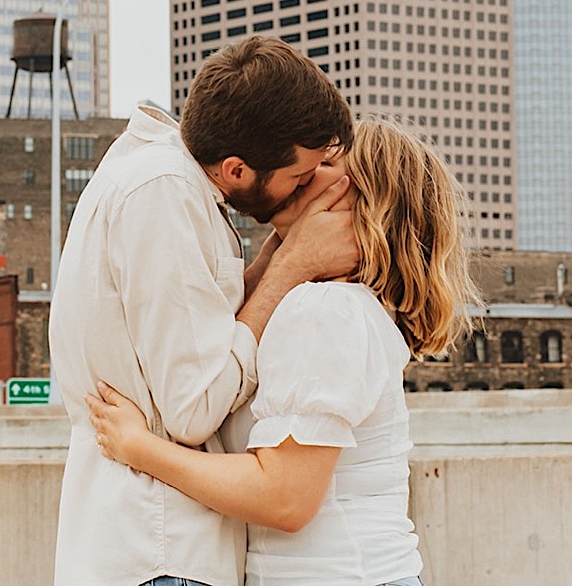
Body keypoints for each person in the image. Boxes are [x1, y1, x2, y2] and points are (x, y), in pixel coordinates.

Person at [87, 119, 483, 586]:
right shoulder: (347, 308)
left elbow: (285, 499)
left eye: (325, 164)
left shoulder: (323, 311)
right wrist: (287, 253)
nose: (302, 171)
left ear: (361, 201)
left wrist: (140, 448)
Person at [50, 36, 360, 586]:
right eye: (300, 176)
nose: (307, 187)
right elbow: (193, 407)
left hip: (154, 548)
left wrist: (277, 256)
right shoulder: (164, 195)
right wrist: (291, 268)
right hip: (164, 551)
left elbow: (195, 332)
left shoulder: (158, 179)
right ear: (238, 168)